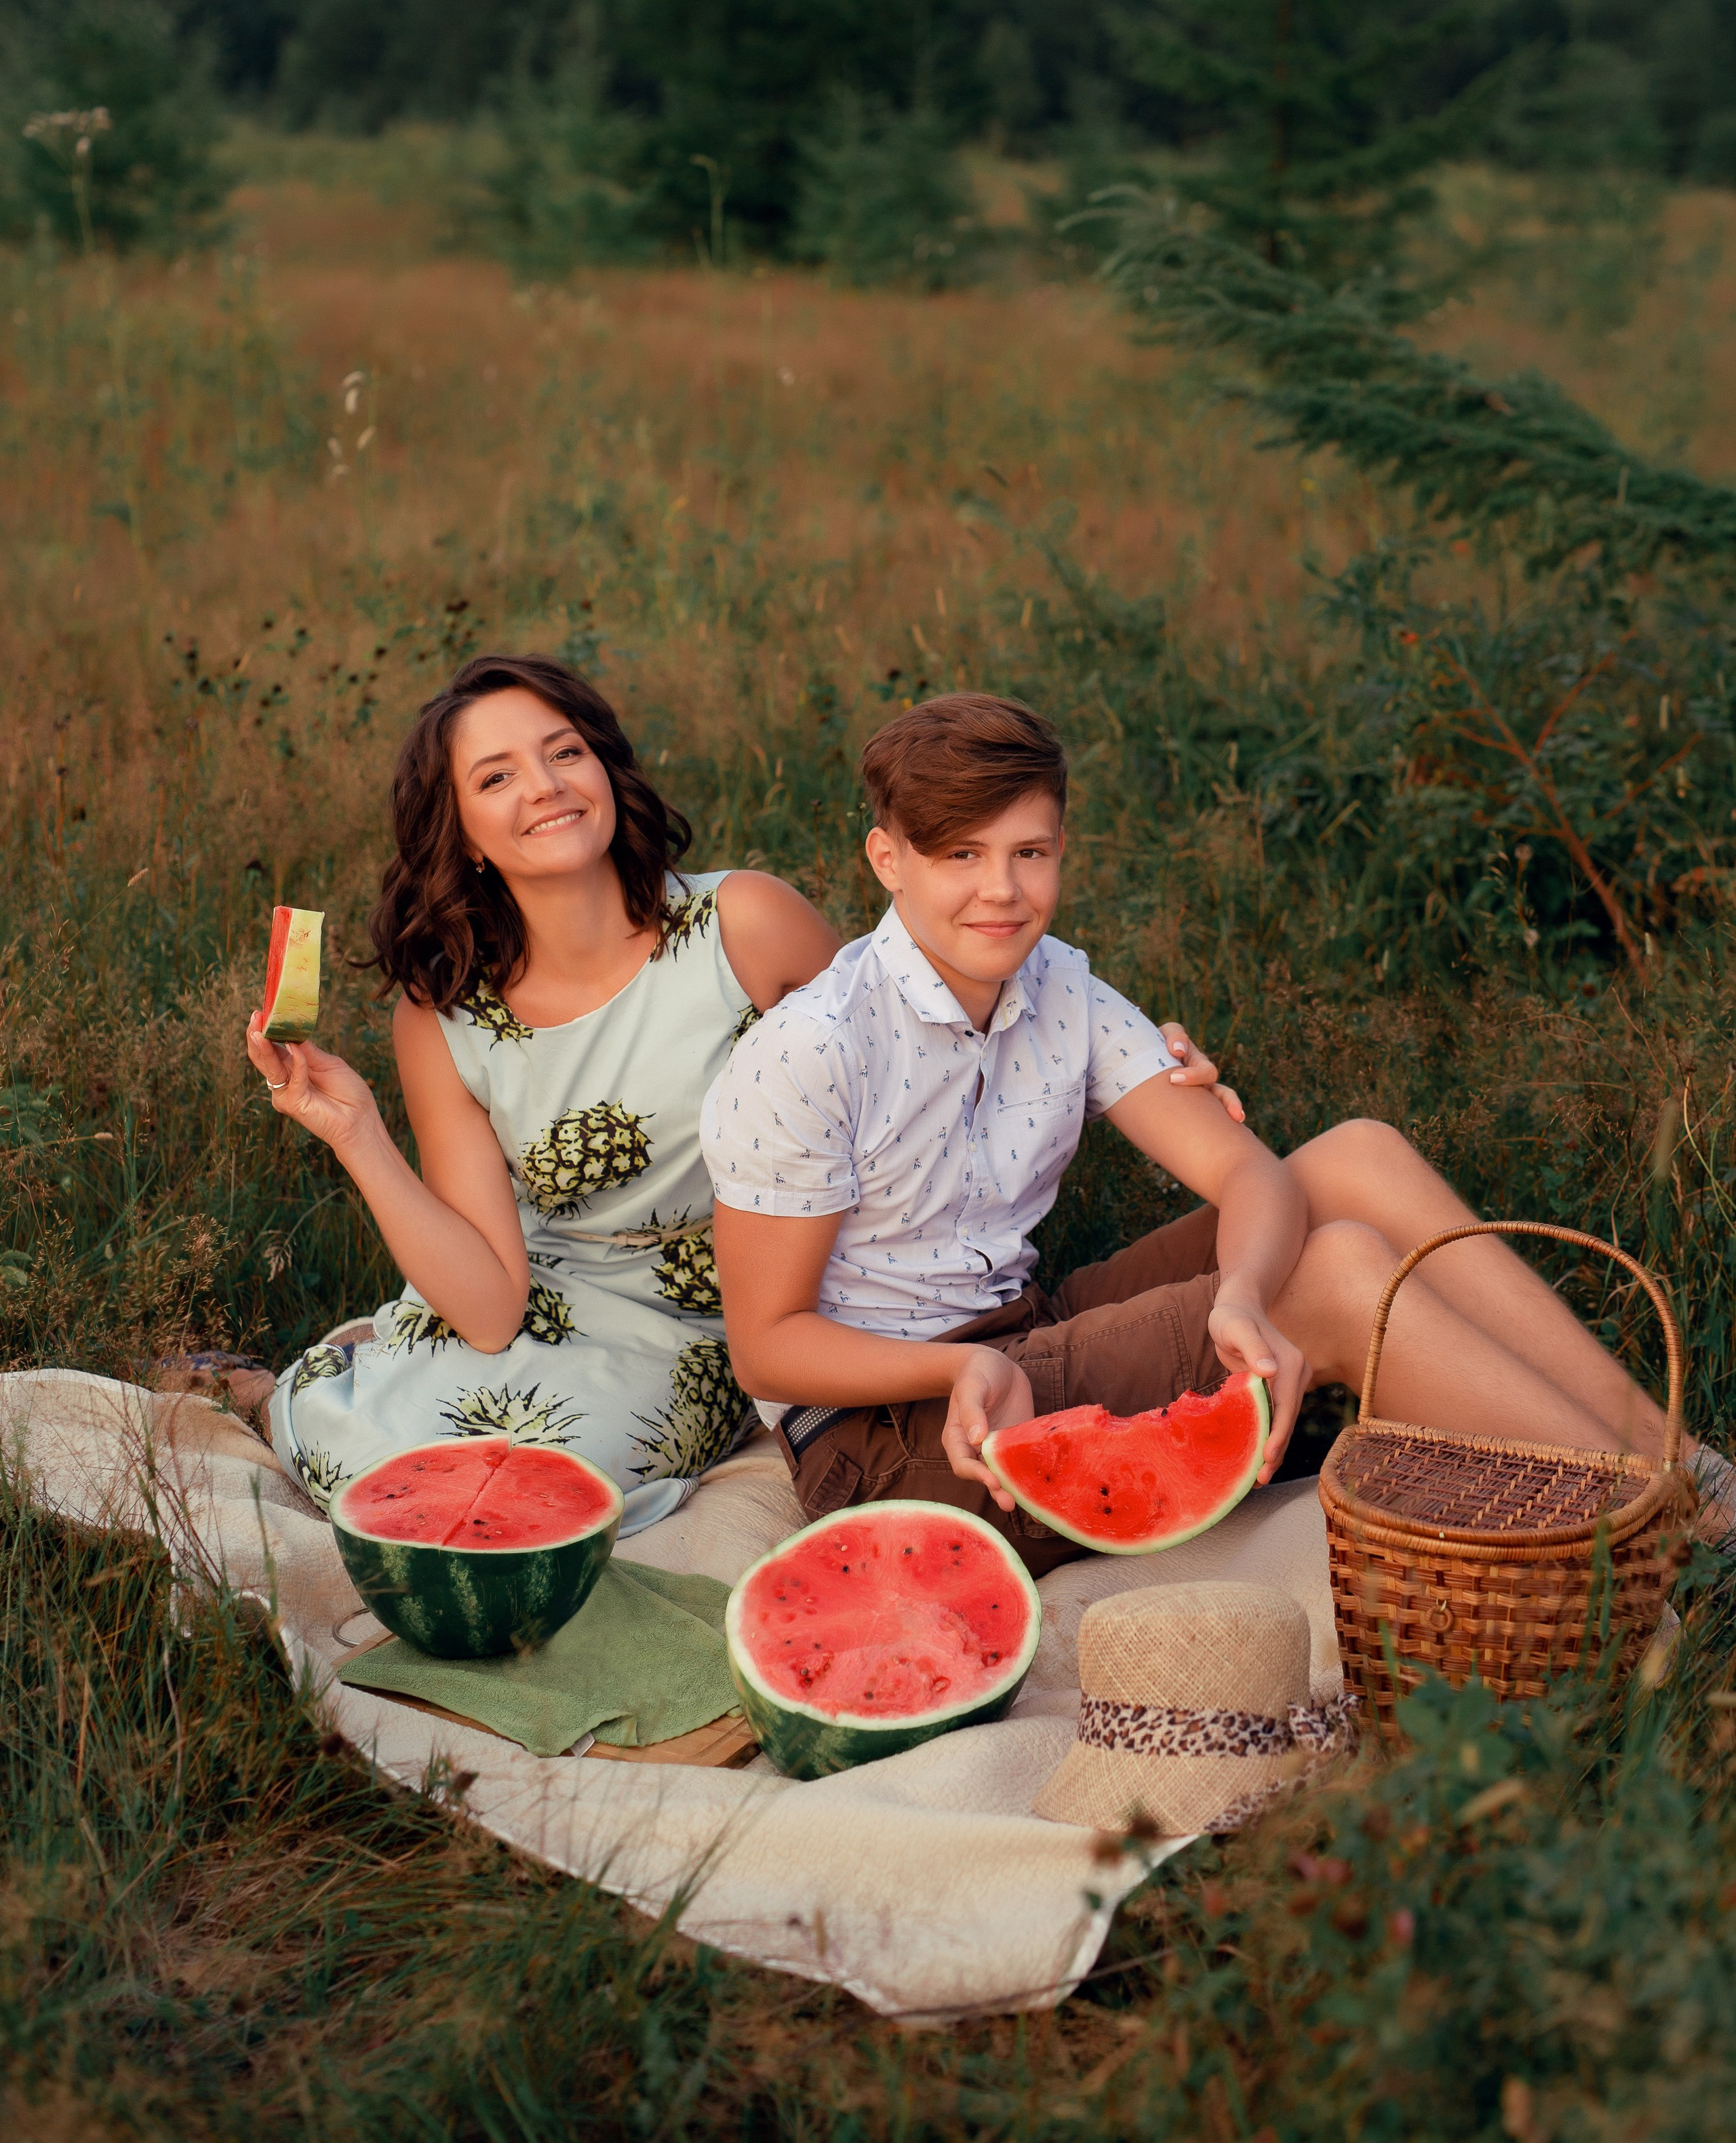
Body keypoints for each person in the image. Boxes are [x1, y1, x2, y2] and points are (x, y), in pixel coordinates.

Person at [703, 692, 1722, 1576]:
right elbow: (769, 1351)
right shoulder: (816, 1048)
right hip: (890, 1436)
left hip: (1021, 1323)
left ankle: (1677, 1467)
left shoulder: (1061, 983)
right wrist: (954, 1369)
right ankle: (1662, 1541)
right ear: (889, 857)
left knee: (1355, 1159)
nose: (1002, 891)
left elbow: (1248, 1172)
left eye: (1030, 852)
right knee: (1334, 1278)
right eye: (960, 856)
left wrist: (1239, 1293)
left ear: (1063, 848)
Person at [222, 652, 1241, 1526]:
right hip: (540, 1292)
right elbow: (491, 1308)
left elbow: (925, 1024)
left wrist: (1146, 1061)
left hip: (743, 1312)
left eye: (563, 751)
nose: (544, 786)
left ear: (606, 768)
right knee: (384, 1455)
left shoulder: (742, 924)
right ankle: (296, 1392)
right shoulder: (443, 1017)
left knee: (532, 1482)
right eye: (497, 777)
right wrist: (355, 1131)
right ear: (465, 832)